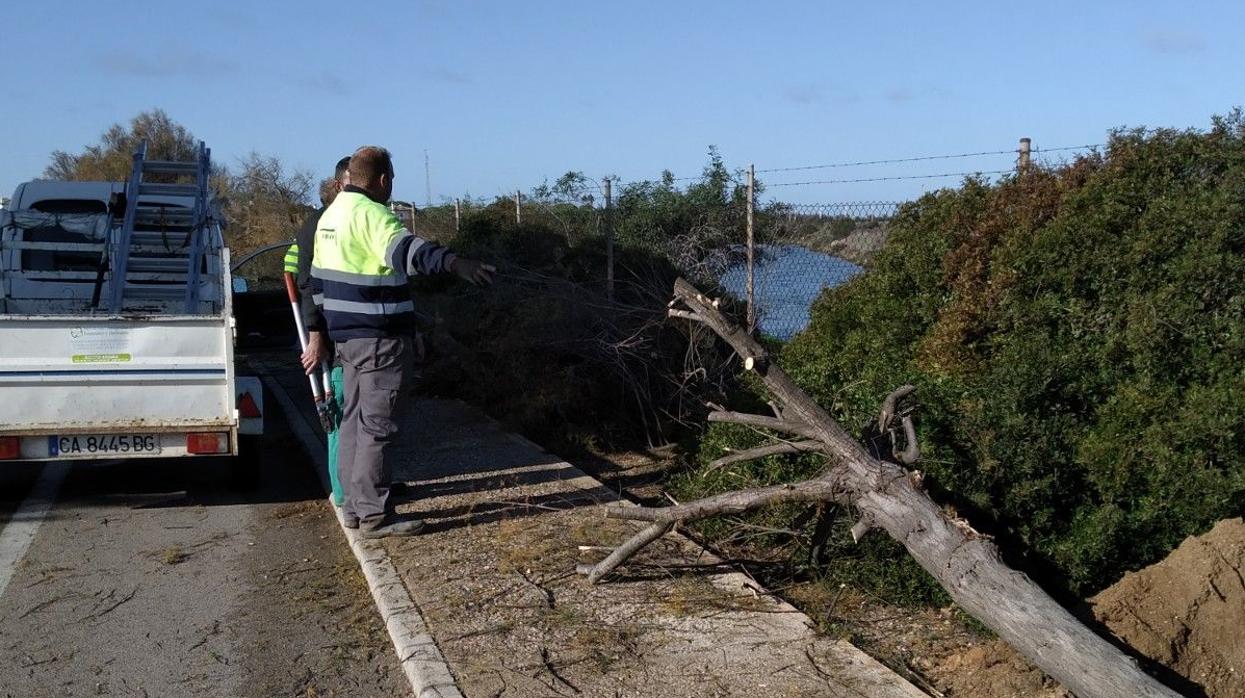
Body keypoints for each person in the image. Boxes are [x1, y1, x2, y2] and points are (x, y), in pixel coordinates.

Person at [311, 145, 494, 538]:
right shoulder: (371, 215)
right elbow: (408, 252)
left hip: (347, 340)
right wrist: (456, 263)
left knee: (352, 424)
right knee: (378, 427)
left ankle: (355, 509)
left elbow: (317, 285)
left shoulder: (332, 215)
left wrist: (335, 328)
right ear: (382, 180)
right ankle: (375, 516)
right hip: (379, 339)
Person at [287, 158, 351, 508]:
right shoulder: (321, 225)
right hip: (333, 336)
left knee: (352, 415)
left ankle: (361, 487)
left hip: (344, 331)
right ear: (340, 184)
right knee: (339, 412)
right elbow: (309, 283)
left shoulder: (338, 220)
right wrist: (315, 335)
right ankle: (344, 493)